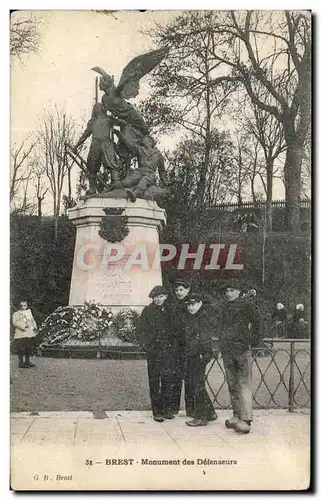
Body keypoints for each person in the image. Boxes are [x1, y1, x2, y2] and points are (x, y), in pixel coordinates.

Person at [219, 280, 263, 434]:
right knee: (232, 383)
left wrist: (251, 341)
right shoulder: (225, 306)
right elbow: (221, 327)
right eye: (227, 291)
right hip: (227, 351)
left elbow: (258, 323)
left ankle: (246, 419)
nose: (228, 293)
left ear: (238, 291)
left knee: (244, 383)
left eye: (232, 290)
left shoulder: (247, 305)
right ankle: (237, 415)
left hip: (242, 350)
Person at [136, 286, 174, 422]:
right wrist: (147, 346)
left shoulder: (169, 311)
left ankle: (166, 409)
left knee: (167, 380)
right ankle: (156, 411)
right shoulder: (147, 311)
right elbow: (140, 330)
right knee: (154, 380)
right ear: (152, 298)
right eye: (156, 297)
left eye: (161, 296)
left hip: (167, 351)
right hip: (154, 352)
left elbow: (175, 330)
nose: (159, 299)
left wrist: (172, 347)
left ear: (166, 297)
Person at [183, 293, 217, 427]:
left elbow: (203, 339)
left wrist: (203, 356)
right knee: (197, 384)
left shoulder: (202, 318)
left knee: (197, 386)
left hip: (200, 355)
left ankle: (201, 417)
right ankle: (211, 412)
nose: (191, 308)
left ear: (200, 303)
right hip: (193, 355)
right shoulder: (193, 317)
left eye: (193, 304)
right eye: (189, 305)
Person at [73, 103, 122, 194]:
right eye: (95, 107)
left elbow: (121, 123)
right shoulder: (93, 122)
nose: (96, 108)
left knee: (112, 164)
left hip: (107, 144)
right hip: (95, 144)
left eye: (98, 107)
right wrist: (76, 146)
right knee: (91, 166)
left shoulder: (109, 120)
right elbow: (85, 135)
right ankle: (92, 188)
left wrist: (114, 115)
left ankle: (116, 183)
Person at [112, 130, 167, 201]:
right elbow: (129, 144)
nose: (142, 141)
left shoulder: (158, 154)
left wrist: (164, 181)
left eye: (144, 140)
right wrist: (119, 134)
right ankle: (110, 189)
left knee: (144, 180)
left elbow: (161, 170)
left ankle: (135, 194)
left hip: (150, 174)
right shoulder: (140, 149)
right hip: (139, 172)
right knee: (126, 182)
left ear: (150, 142)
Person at [167, 279, 192, 416]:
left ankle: (191, 409)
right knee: (175, 377)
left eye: (181, 290)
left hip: (188, 346)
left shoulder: (192, 304)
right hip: (176, 347)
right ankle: (173, 407)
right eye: (177, 290)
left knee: (189, 378)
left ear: (187, 290)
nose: (179, 292)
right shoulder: (174, 305)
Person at [12, 301, 38, 368]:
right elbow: (15, 323)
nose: (23, 307)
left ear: (26, 306)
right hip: (20, 333)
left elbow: (32, 320)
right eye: (21, 305)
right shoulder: (16, 313)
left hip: (29, 333)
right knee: (21, 348)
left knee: (28, 348)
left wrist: (34, 327)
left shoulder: (29, 313)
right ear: (19, 306)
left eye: (24, 305)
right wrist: (24, 326)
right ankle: (21, 363)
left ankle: (27, 361)